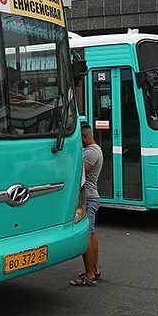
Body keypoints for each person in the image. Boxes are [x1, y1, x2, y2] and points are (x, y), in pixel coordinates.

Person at [70, 121, 103, 287]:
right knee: (91, 233)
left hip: (89, 197)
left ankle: (89, 275)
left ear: (85, 136)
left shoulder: (91, 153)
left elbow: (79, 172)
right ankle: (94, 269)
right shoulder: (93, 150)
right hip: (92, 197)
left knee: (87, 235)